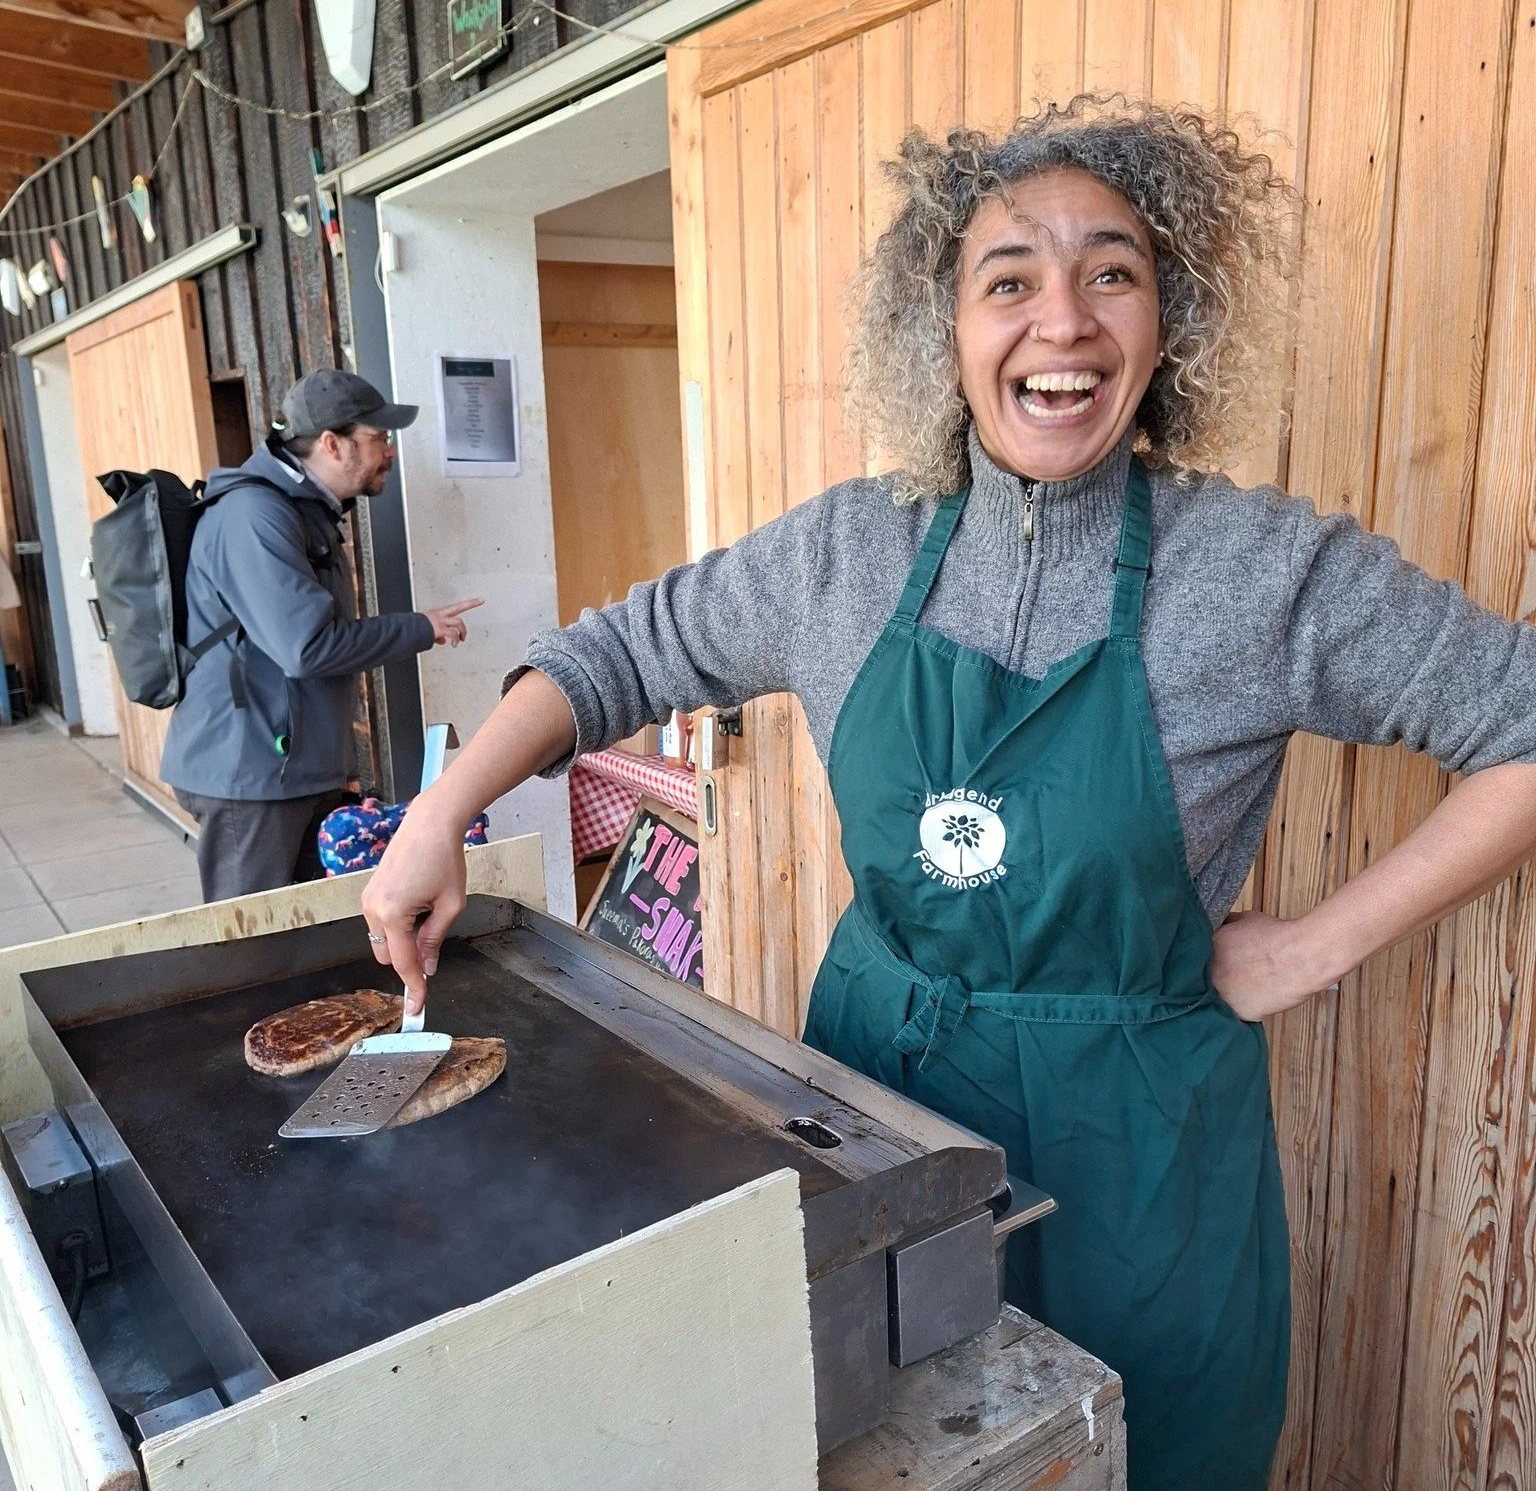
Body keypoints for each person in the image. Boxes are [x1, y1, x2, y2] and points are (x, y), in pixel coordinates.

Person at [358, 99, 1536, 1490]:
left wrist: (1314, 947)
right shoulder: (849, 556)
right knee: (876, 1444)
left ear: (1170, 324)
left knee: (1140, 1455)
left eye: (1114, 271)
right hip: (878, 1099)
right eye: (1010, 280)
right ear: (948, 329)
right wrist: (442, 815)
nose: (1065, 322)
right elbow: (614, 655)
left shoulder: (1262, 574)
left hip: (1143, 1149)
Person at [161, 370, 483, 902]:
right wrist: (419, 627)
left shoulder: (301, 512)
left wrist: (335, 771)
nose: (390, 453)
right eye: (378, 438)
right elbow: (308, 648)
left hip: (288, 770)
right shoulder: (254, 516)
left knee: (306, 935)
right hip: (250, 777)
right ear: (333, 444)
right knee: (253, 946)